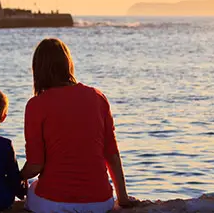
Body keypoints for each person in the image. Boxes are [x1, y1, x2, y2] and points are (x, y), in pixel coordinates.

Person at [21, 38, 137, 213]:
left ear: (38, 69)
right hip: (100, 202)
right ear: (68, 64)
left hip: (54, 203)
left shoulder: (36, 105)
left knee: (32, 189)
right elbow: (111, 154)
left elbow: (35, 165)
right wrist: (123, 198)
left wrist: (17, 177)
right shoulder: (97, 97)